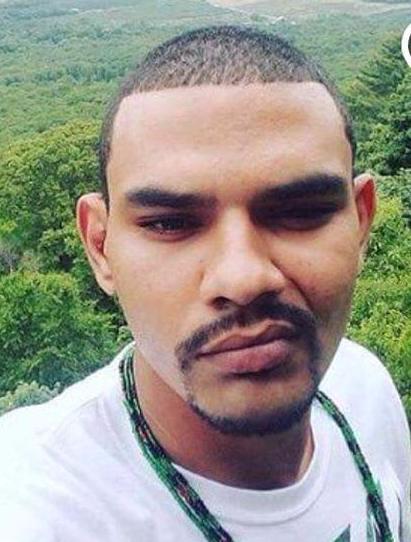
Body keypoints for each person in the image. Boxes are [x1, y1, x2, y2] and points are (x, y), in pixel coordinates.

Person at [0, 25, 410, 542]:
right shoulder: (36, 510)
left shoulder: (363, 387)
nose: (243, 278)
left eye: (302, 212)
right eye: (169, 223)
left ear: (361, 222)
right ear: (101, 247)